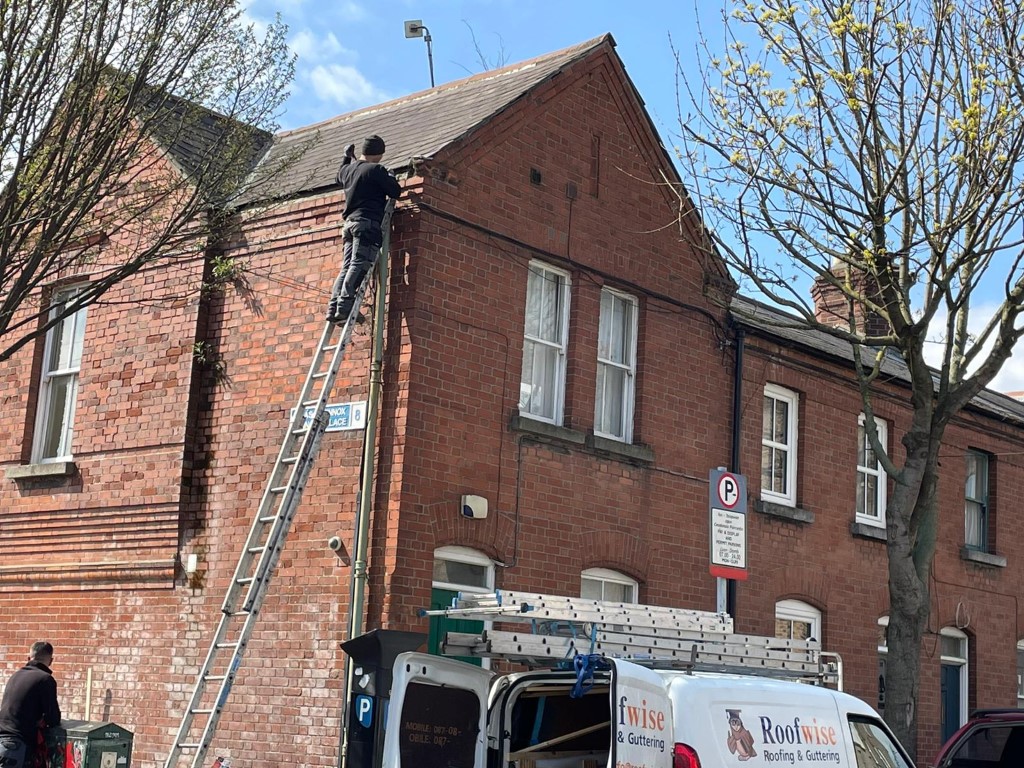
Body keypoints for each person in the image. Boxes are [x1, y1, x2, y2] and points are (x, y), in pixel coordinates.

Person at [327, 134, 402, 324]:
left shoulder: (348, 170)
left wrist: (347, 156)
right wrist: (390, 177)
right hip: (366, 223)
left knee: (346, 266)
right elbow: (395, 191)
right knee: (358, 264)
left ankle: (334, 306)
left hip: (349, 224)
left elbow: (339, 175)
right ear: (378, 154)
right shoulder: (376, 169)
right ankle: (344, 306)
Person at [0, 642, 61, 768]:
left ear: (29, 658)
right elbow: (53, 718)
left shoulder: (15, 676)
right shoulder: (45, 679)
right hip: (17, 746)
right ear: (51, 661)